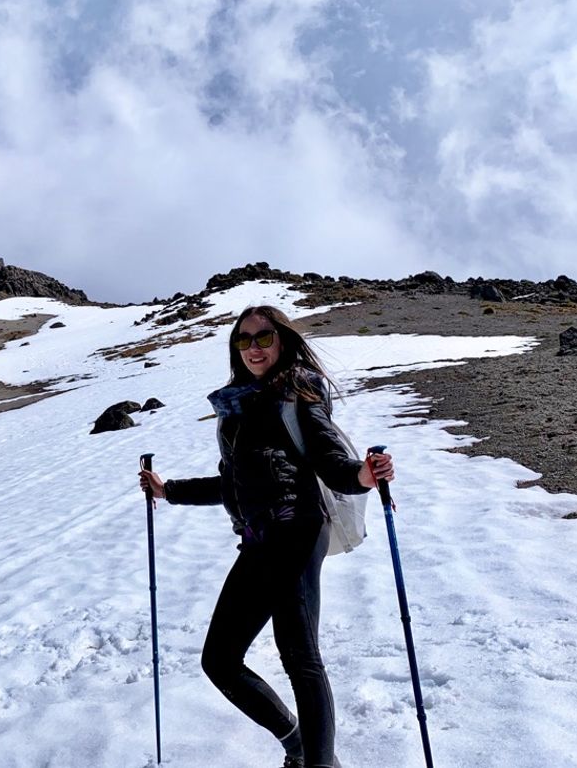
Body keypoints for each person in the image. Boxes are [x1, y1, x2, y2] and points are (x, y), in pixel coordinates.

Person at [138, 305, 394, 768]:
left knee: (300, 657)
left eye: (263, 337)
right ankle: (296, 743)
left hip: (297, 530)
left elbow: (329, 459)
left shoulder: (298, 394)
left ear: (282, 341)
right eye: (244, 340)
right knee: (219, 660)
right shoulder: (235, 408)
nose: (254, 348)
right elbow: (232, 484)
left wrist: (362, 475)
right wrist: (168, 490)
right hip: (258, 540)